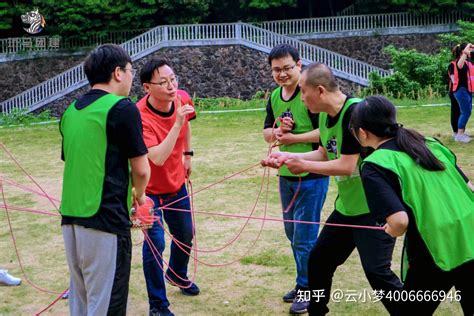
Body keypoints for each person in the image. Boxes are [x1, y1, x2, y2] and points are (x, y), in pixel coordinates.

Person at [262, 63, 402, 315]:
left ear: (320, 90)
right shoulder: (326, 115)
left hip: (375, 209)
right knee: (318, 262)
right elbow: (325, 152)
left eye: (303, 92)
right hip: (346, 208)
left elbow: (347, 166)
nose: (301, 99)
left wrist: (301, 164)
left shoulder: (356, 114)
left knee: (377, 273)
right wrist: (284, 156)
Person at [350, 95, 474, 315]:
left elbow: (399, 222)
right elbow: (469, 187)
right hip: (469, 232)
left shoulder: (374, 164)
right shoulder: (429, 142)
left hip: (435, 246)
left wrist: (390, 229)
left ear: (361, 132)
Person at [59, 44, 150, 316]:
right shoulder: (123, 109)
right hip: (106, 220)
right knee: (106, 304)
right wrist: (140, 196)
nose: (132, 77)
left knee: (82, 299)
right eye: (131, 70)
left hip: (71, 219)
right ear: (118, 73)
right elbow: (141, 169)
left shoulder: (71, 111)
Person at [262, 44, 329, 314]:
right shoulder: (275, 96)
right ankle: (303, 282)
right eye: (276, 70)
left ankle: (308, 289)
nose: (282, 74)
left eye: (287, 68)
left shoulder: (310, 94)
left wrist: (292, 139)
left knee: (304, 237)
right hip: (286, 174)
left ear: (299, 65)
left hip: (312, 174)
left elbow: (324, 134)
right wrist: (278, 130)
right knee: (292, 234)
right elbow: (267, 133)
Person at [137, 58, 198, 316]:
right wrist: (176, 123)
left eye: (173, 79)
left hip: (176, 186)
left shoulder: (182, 99)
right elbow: (157, 157)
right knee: (155, 244)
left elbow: (186, 129)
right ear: (146, 87)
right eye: (163, 82)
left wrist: (187, 155)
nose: (171, 86)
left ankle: (177, 273)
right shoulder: (139, 115)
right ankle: (158, 306)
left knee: (185, 234)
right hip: (148, 192)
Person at [448, 43, 474, 143]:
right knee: (464, 112)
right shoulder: (459, 61)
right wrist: (466, 51)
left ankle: (460, 133)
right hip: (461, 90)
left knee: (467, 112)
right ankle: (459, 135)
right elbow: (459, 65)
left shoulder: (469, 62)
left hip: (467, 90)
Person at [448, 45, 461, 139]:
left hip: (461, 90)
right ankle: (455, 132)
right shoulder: (452, 64)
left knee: (461, 111)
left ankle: (460, 131)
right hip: (454, 91)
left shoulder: (466, 63)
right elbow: (453, 79)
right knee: (455, 111)